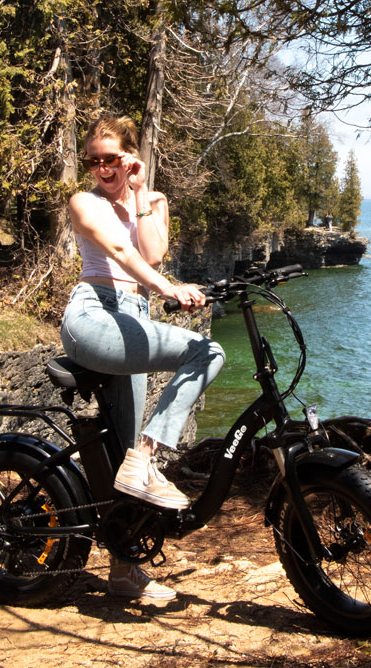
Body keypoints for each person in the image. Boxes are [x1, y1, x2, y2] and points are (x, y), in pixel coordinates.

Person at [60, 114, 225, 602]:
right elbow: (116, 248)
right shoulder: (83, 202)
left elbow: (150, 254)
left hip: (134, 315)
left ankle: (123, 569)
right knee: (206, 350)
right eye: (93, 161)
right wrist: (168, 290)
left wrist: (138, 192)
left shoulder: (150, 201)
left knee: (127, 447)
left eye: (111, 158)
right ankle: (149, 460)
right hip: (94, 314)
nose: (101, 169)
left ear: (130, 156)